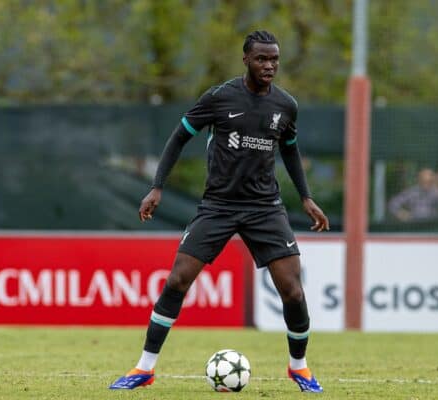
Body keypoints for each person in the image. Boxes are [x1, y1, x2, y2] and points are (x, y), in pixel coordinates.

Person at [109, 30, 329, 393]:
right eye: (262, 58)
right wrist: (157, 186)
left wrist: (305, 197)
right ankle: (144, 368)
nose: (269, 65)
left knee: (292, 290)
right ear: (245, 59)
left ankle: (299, 368)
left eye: (274, 59)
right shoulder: (220, 97)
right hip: (218, 206)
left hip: (264, 208)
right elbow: (179, 136)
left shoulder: (285, 105)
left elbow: (289, 148)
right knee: (178, 279)